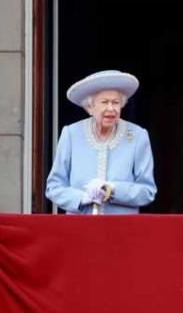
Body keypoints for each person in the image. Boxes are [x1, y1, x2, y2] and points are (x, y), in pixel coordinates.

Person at [46, 70, 157, 214]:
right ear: (90, 107)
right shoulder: (71, 134)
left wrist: (112, 189)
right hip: (78, 229)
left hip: (122, 229)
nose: (111, 108)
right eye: (104, 102)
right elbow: (54, 188)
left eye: (116, 102)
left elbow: (147, 191)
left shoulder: (138, 136)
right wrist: (82, 198)